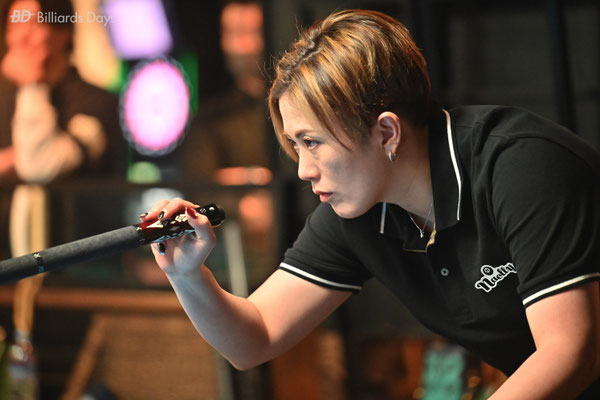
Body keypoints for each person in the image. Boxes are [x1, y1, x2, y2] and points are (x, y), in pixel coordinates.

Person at [141, 9, 600, 399]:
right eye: (295, 146)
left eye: (312, 142)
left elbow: (570, 352)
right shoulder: (359, 210)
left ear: (387, 132)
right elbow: (253, 339)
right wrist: (188, 275)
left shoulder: (520, 165)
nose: (303, 170)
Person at [0, 0, 120, 394]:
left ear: (62, 31)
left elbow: (39, 165)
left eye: (32, 23)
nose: (21, 35)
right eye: (14, 24)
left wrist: (32, 86)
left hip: (72, 290)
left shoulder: (95, 101)